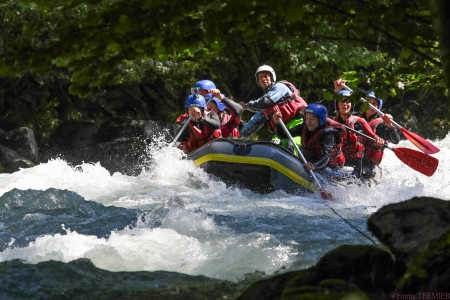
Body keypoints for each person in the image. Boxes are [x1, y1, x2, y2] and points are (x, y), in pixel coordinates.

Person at [273, 103, 346, 180]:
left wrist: (314, 166)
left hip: (327, 167)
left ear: (320, 120)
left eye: (312, 119)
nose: (308, 122)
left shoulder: (328, 134)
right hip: (309, 165)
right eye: (307, 118)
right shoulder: (304, 127)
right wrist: (278, 123)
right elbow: (283, 135)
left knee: (325, 173)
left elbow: (326, 157)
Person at [332, 80, 385, 178]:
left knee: (363, 172)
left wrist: (379, 141)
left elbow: (374, 137)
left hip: (359, 164)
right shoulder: (332, 122)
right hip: (339, 161)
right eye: (342, 101)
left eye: (348, 102)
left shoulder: (360, 122)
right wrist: (337, 90)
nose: (345, 104)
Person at [240, 65, 307, 139]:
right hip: (281, 130)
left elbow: (266, 102)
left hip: (297, 122)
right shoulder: (267, 107)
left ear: (272, 78)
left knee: (291, 147)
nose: (263, 79)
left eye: (266, 76)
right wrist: (241, 133)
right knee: (273, 147)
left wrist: (246, 106)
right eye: (260, 78)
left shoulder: (279, 87)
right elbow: (256, 120)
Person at [359, 91, 400, 178]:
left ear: (378, 107)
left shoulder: (382, 124)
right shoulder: (355, 118)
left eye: (374, 104)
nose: (371, 105)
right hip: (353, 158)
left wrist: (390, 126)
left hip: (369, 163)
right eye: (369, 103)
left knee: (364, 172)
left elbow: (396, 140)